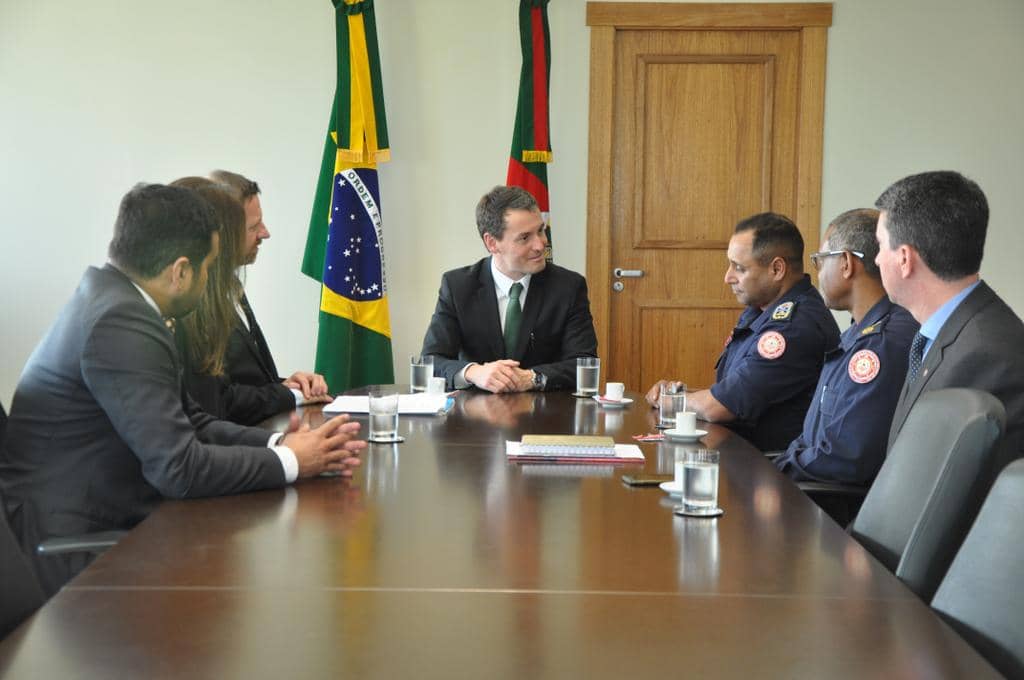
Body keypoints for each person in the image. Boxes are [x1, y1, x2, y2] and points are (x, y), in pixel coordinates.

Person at [0, 184, 365, 594]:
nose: (211, 280)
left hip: (105, 521)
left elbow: (191, 420)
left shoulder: (114, 300)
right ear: (180, 271)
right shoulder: (120, 323)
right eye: (209, 268)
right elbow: (178, 469)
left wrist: (282, 443)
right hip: (75, 552)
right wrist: (293, 462)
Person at [645, 213, 840, 451]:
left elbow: (720, 406)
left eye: (739, 268)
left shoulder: (794, 327)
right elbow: (733, 390)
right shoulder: (762, 310)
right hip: (740, 457)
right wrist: (678, 393)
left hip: (767, 472)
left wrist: (670, 402)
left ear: (777, 269)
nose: (728, 277)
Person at [875, 170, 1024, 476]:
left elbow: (939, 492)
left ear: (905, 259)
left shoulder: (986, 354)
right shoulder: (946, 330)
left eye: (880, 246)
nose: (876, 260)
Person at [775, 209, 918, 486]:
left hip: (831, 514)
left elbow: (845, 457)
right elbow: (812, 437)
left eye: (819, 261)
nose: (817, 273)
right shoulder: (857, 332)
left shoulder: (881, 344)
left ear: (846, 263)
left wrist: (774, 472)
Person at [420, 185, 598, 392]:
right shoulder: (458, 286)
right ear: (492, 243)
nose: (540, 245)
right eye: (525, 238)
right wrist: (473, 372)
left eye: (541, 230)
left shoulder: (568, 286)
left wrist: (533, 377)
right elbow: (429, 362)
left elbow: (585, 363)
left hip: (546, 416)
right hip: (474, 417)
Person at [193, 169, 330, 425]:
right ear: (222, 235)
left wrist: (291, 385)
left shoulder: (231, 285)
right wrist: (288, 393)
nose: (265, 233)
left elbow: (252, 382)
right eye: (253, 227)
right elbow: (220, 402)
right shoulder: (195, 304)